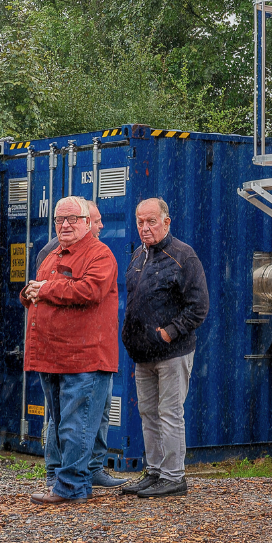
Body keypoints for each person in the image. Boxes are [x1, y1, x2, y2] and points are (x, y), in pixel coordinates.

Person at [20, 194, 118, 505]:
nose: (64, 225)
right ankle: (57, 480)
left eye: (72, 219)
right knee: (59, 421)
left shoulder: (100, 255)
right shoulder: (52, 255)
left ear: (89, 223)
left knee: (77, 423)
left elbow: (89, 290)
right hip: (51, 356)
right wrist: (30, 292)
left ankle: (72, 485)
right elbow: (40, 292)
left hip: (84, 357)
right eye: (60, 219)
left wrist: (45, 289)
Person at [119, 197, 208, 498]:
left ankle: (173, 476)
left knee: (169, 413)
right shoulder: (136, 256)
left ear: (167, 222)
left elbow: (199, 307)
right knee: (148, 413)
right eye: (140, 222)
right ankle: (155, 472)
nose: (145, 228)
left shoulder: (185, 256)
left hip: (172, 352)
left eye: (151, 221)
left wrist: (169, 334)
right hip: (143, 353)